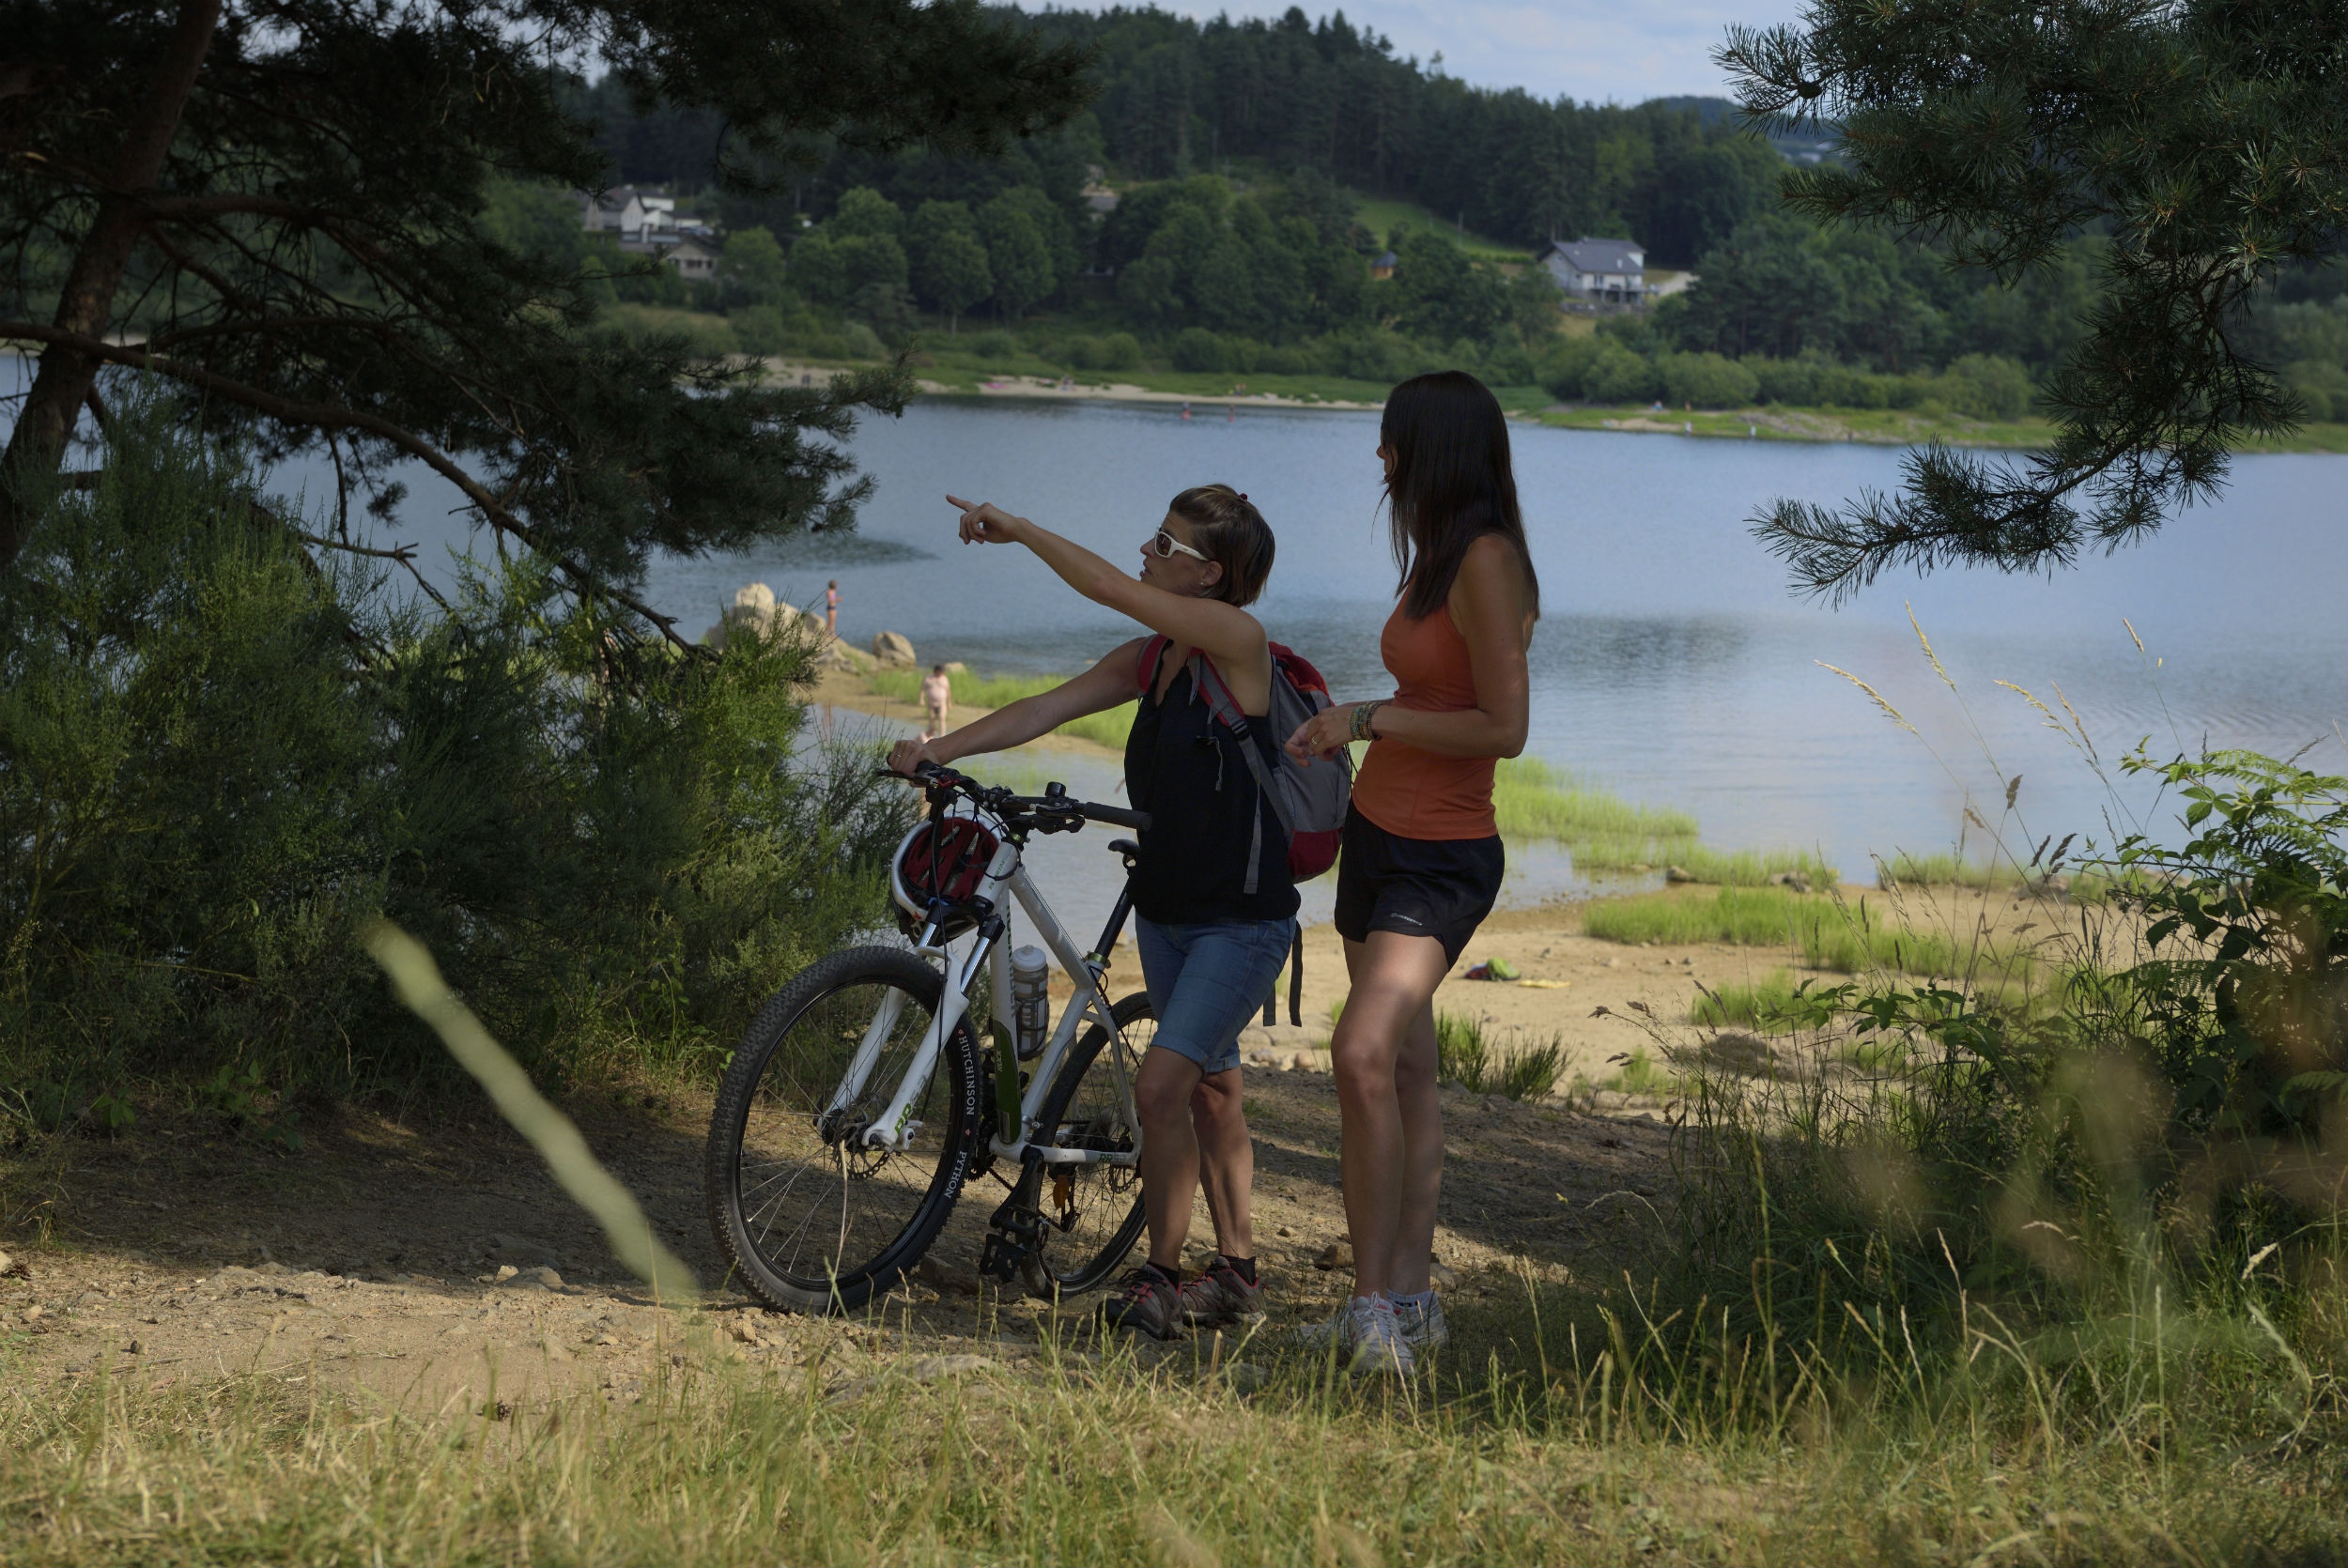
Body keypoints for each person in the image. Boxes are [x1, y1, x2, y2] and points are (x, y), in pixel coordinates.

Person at [887, 484, 1293, 1339]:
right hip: (1167, 907)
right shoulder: (1155, 659)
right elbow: (1050, 707)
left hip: (1242, 921)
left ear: (1211, 575)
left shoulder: (1238, 640)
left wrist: (1026, 529)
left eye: (1165, 543)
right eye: (1152, 535)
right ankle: (1240, 1274)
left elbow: (1111, 587)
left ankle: (1160, 1280)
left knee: (1163, 1087)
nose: (1147, 550)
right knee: (1214, 1092)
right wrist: (937, 751)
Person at [1285, 371, 1539, 1375]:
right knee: (1406, 1071)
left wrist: (1367, 716)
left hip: (1441, 857)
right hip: (1377, 834)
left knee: (1358, 1053)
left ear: (1431, 448)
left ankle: (1368, 1311)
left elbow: (1504, 729)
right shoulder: (1438, 554)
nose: (1378, 458)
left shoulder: (1484, 559)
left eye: (1391, 441)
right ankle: (1409, 1300)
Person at [919, 663, 953, 740]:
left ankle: (942, 736)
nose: (943, 673)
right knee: (931, 719)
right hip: (931, 704)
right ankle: (931, 737)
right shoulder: (928, 678)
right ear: (937, 671)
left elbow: (948, 691)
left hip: (941, 703)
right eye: (942, 671)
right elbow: (922, 689)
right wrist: (921, 699)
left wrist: (949, 703)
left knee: (942, 718)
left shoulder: (944, 679)